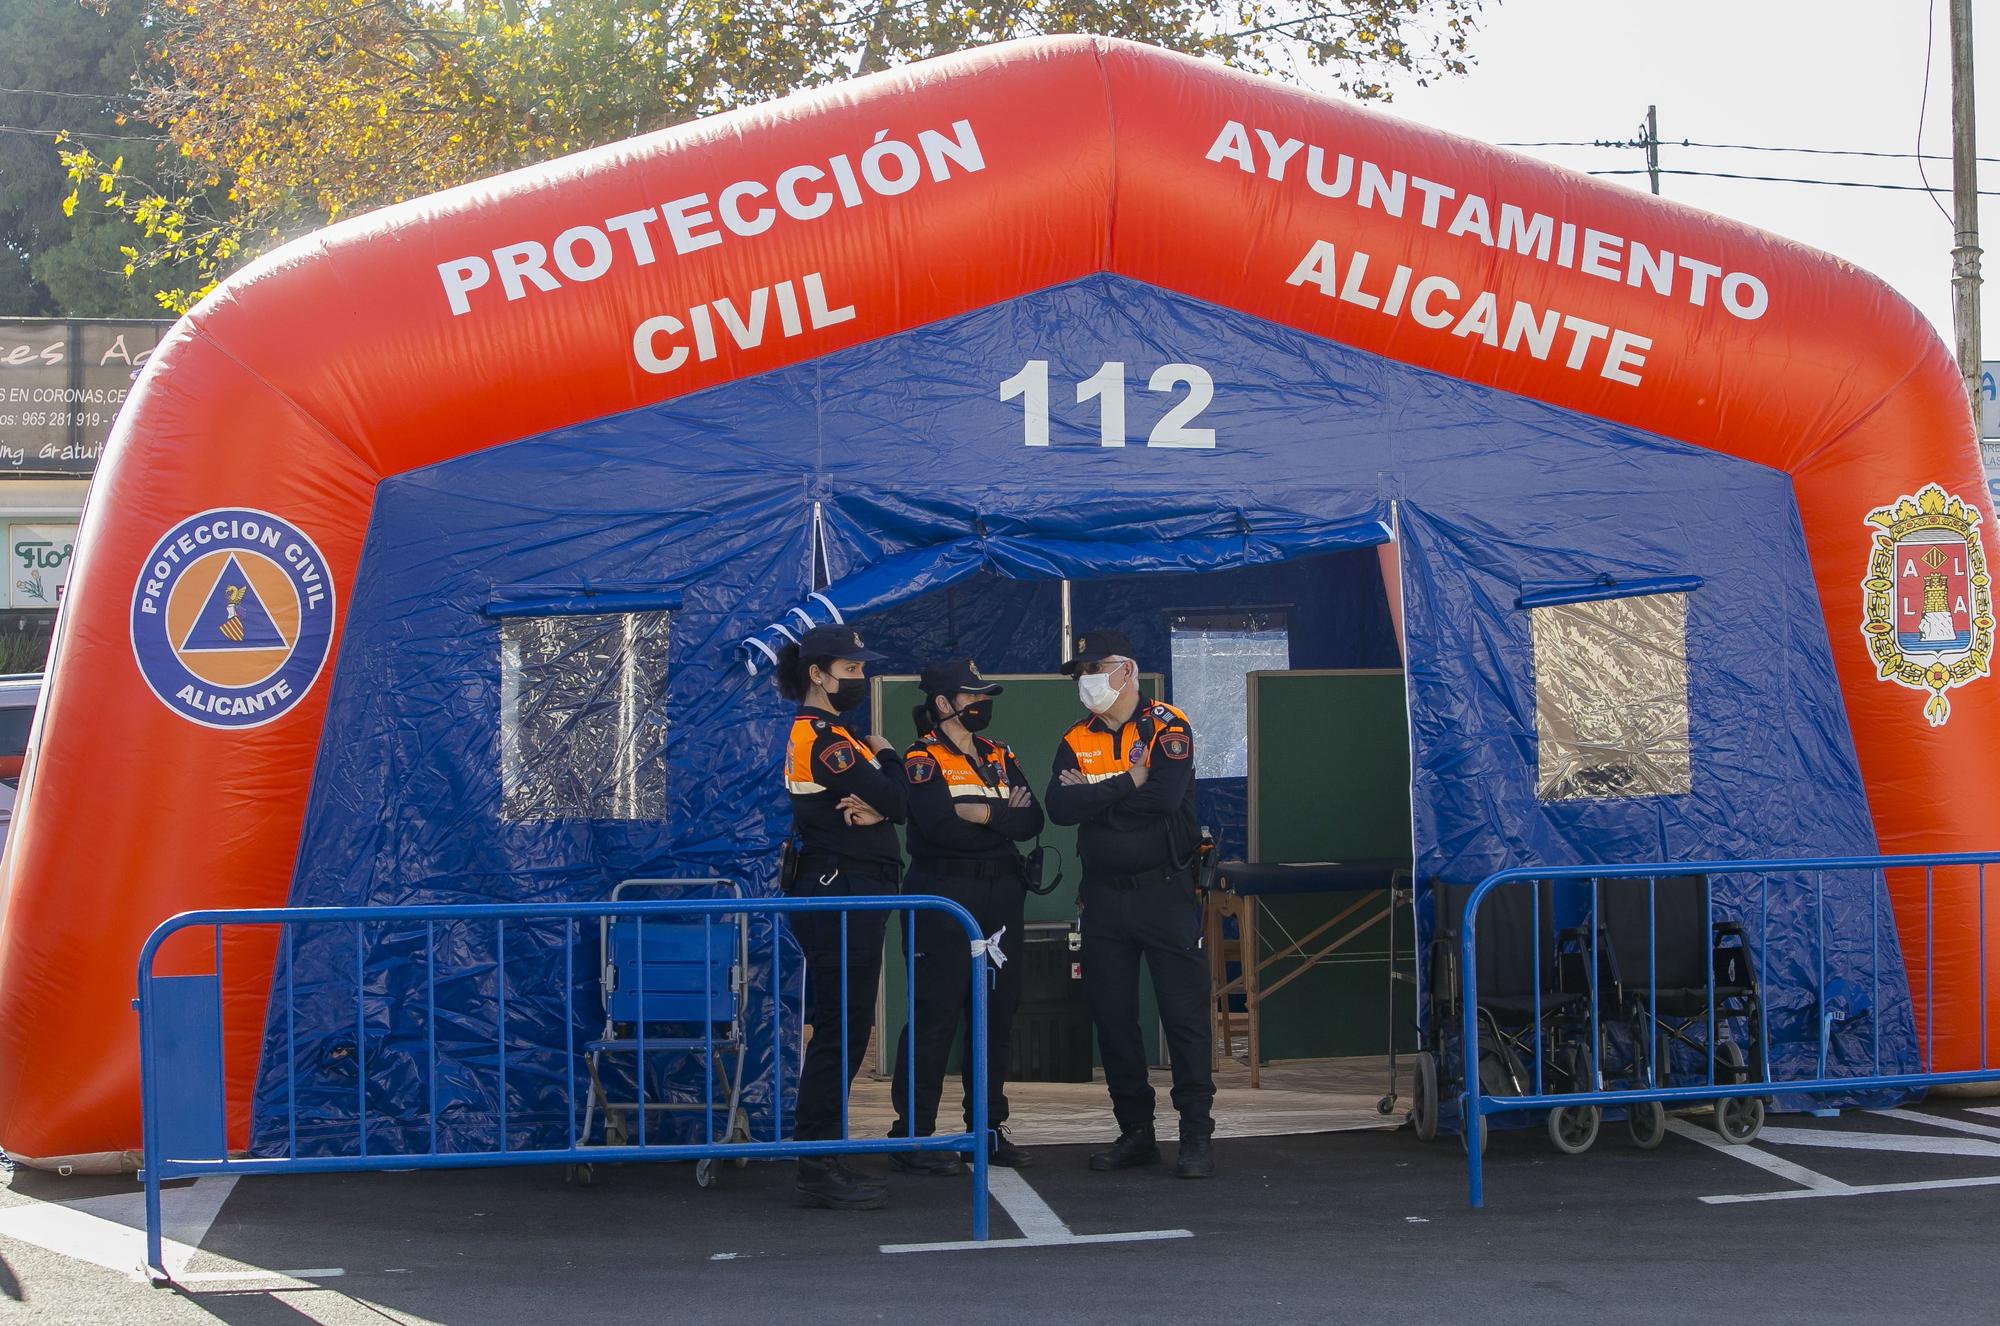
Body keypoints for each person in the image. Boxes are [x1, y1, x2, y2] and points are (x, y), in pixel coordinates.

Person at [1044, 628, 1216, 1179]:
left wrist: (1098, 799)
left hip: (1164, 891)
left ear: (1127, 670)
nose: (1087, 681)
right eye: (1080, 673)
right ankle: (1136, 1132)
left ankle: (1195, 1134)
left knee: (1183, 1016)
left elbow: (1164, 800)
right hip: (1103, 900)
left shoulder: (1169, 725)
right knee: (1113, 1019)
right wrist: (1125, 785)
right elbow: (1059, 807)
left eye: (1095, 669)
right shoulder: (1076, 737)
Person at [889, 659, 1044, 1175]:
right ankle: (913, 1135)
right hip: (943, 897)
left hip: (1002, 894)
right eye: (971, 695)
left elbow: (1033, 819)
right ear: (942, 704)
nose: (981, 704)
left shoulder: (1000, 754)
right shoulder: (922, 759)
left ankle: (988, 1128)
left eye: (984, 695)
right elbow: (936, 828)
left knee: (996, 1016)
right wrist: (1003, 820)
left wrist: (983, 815)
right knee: (936, 1015)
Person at [776, 623, 907, 1211]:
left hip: (851, 889)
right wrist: (887, 761)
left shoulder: (834, 734)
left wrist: (881, 807)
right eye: (851, 670)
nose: (861, 678)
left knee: (846, 1031)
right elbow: (905, 801)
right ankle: (817, 1164)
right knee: (841, 1031)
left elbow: (887, 806)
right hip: (839, 891)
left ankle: (824, 1155)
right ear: (818, 674)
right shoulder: (825, 738)